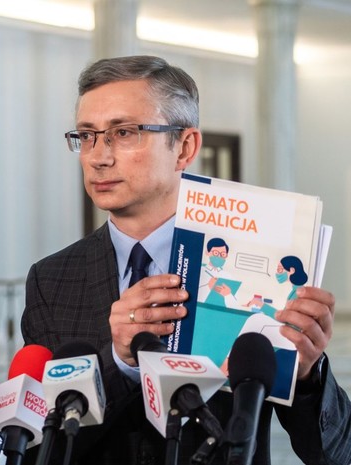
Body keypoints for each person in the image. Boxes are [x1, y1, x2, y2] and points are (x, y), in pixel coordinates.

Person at [21, 55, 351, 464]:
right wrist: (118, 363)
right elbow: (41, 446)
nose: (98, 157)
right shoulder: (52, 280)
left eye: (123, 133)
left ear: (185, 147)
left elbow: (337, 453)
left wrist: (308, 376)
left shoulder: (257, 266)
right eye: (87, 135)